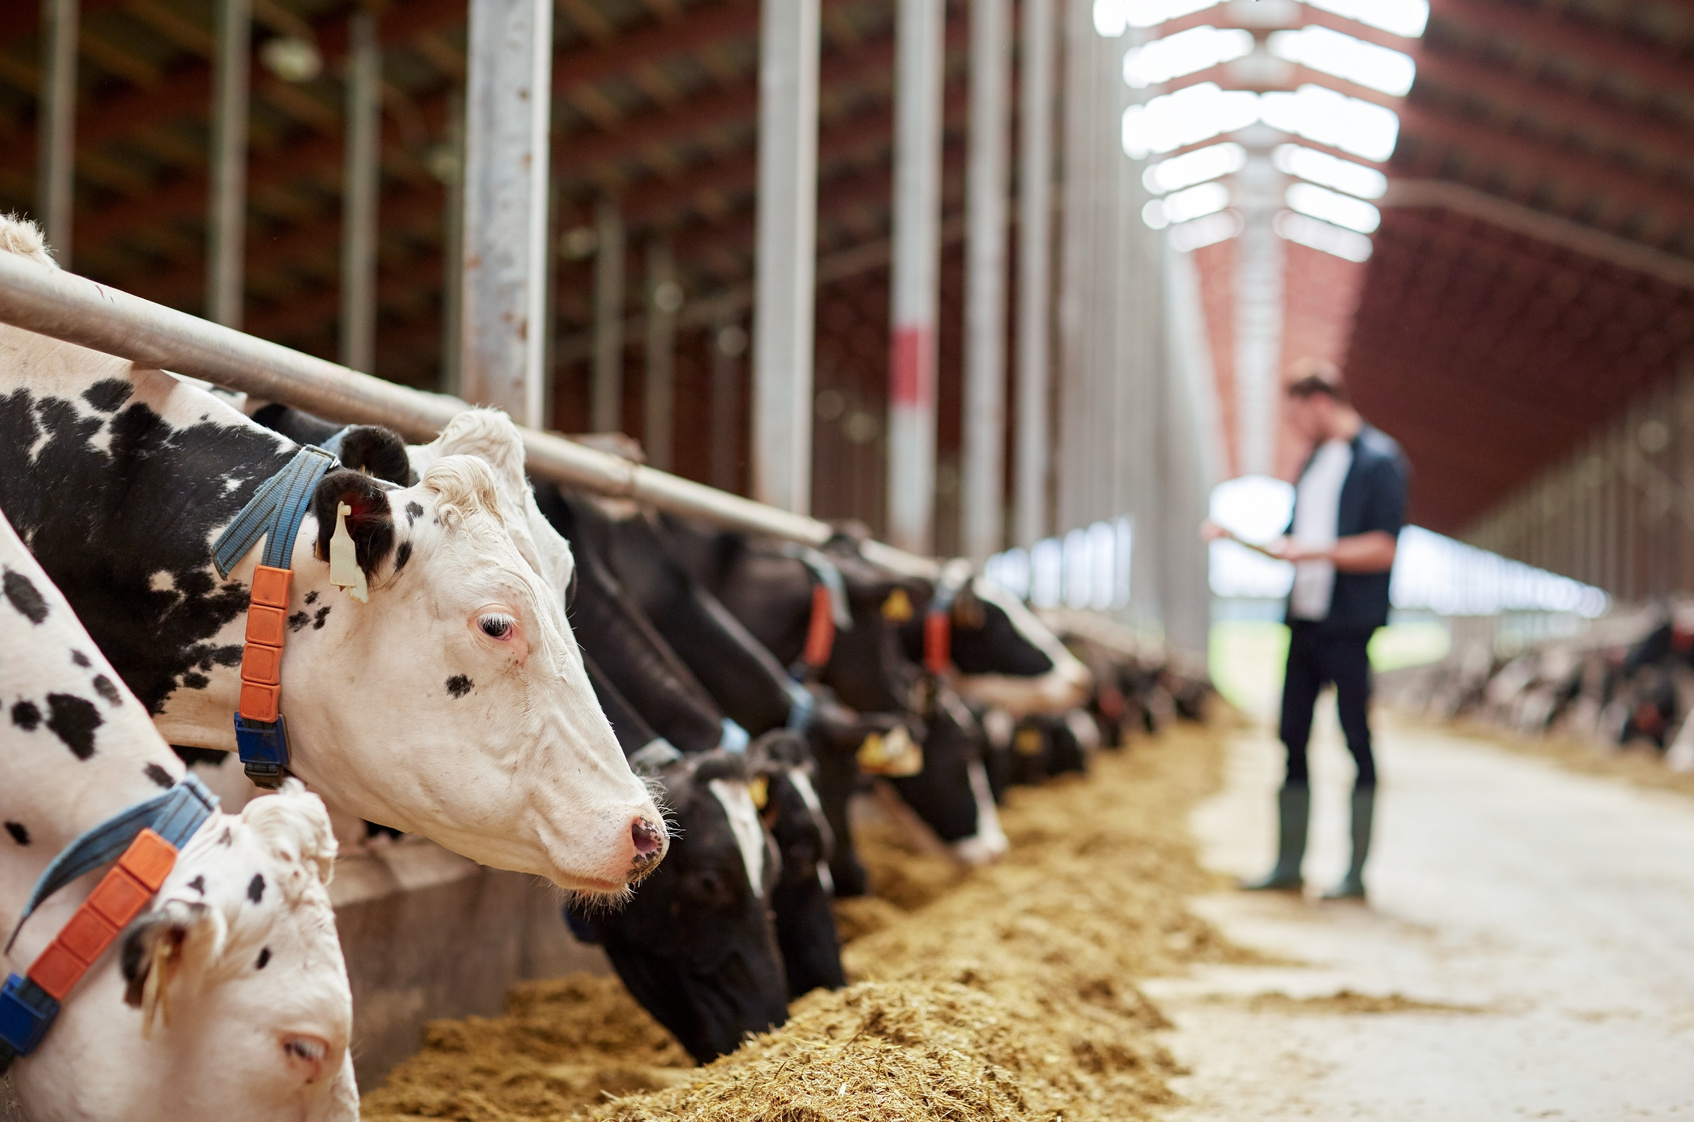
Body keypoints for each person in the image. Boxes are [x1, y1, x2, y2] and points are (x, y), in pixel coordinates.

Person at [1206, 362, 1409, 899]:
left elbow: (1384, 547)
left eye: (1296, 416)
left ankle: (1354, 874)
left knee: (1355, 739)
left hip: (1349, 626)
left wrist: (1313, 551)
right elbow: (1288, 545)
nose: (1294, 428)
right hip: (1304, 622)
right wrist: (1237, 538)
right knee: (1291, 738)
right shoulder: (1314, 464)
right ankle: (1288, 865)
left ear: (1320, 403)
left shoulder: (1380, 462)